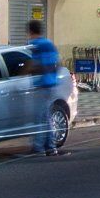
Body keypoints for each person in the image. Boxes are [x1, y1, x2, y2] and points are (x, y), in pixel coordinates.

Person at [26, 19, 62, 156]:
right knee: (45, 116)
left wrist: (22, 73)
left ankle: (38, 148)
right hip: (51, 83)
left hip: (41, 84)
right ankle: (50, 147)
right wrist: (53, 76)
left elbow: (31, 64)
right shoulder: (49, 43)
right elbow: (58, 63)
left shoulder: (33, 45)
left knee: (39, 117)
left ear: (30, 31)